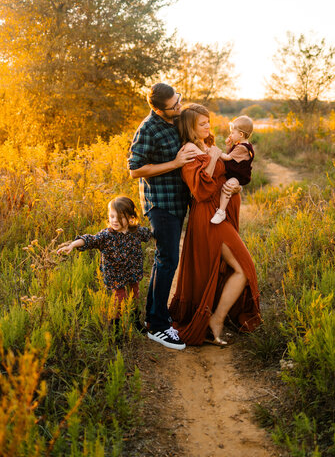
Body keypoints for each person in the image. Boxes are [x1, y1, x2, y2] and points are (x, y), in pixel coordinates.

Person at [169, 103, 261, 346]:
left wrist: (236, 185)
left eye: (208, 121)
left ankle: (216, 318)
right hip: (208, 216)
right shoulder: (189, 150)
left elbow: (228, 173)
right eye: (202, 124)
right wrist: (211, 158)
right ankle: (215, 319)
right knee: (243, 267)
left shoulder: (204, 145)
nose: (208, 126)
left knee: (234, 267)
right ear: (190, 127)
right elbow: (199, 189)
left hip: (220, 213)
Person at [128, 83, 197, 350]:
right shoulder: (148, 128)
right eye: (173, 105)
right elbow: (134, 169)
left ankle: (153, 317)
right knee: (167, 260)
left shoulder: (175, 117)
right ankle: (157, 327)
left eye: (178, 100)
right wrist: (175, 164)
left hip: (178, 202)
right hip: (160, 203)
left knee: (165, 260)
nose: (179, 106)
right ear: (157, 108)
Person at [57, 196, 152, 333]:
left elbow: (150, 234)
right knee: (120, 299)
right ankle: (116, 329)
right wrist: (72, 244)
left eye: (119, 217)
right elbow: (90, 240)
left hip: (132, 271)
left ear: (130, 217)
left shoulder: (136, 231)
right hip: (115, 275)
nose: (114, 220)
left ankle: (135, 321)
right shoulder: (106, 236)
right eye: (112, 216)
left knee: (134, 295)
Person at [211, 115, 255, 224]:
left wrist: (216, 152)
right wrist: (228, 146)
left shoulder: (242, 148)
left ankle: (221, 211)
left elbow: (227, 157)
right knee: (226, 186)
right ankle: (221, 210)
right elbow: (231, 155)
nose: (230, 135)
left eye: (232, 133)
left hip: (238, 176)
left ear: (241, 134)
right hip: (234, 173)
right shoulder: (241, 145)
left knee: (227, 187)